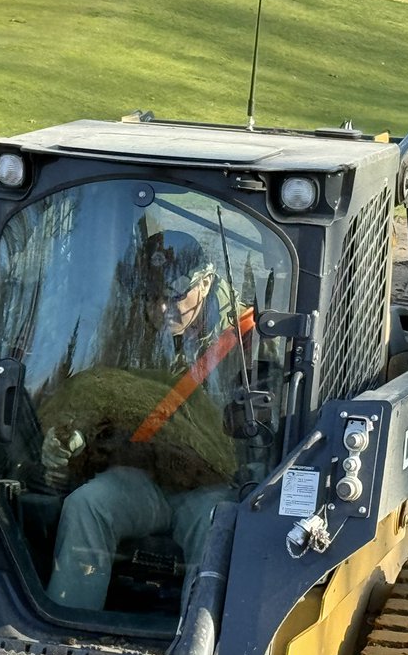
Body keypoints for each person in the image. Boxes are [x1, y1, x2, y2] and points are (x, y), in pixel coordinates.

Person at [40, 230, 254, 611]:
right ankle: (66, 628)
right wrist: (69, 437)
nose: (161, 310)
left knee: (217, 526)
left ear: (205, 282)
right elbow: (98, 392)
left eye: (174, 296)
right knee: (86, 505)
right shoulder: (127, 327)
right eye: (150, 297)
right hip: (144, 474)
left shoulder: (248, 337)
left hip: (212, 485)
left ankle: (196, 640)